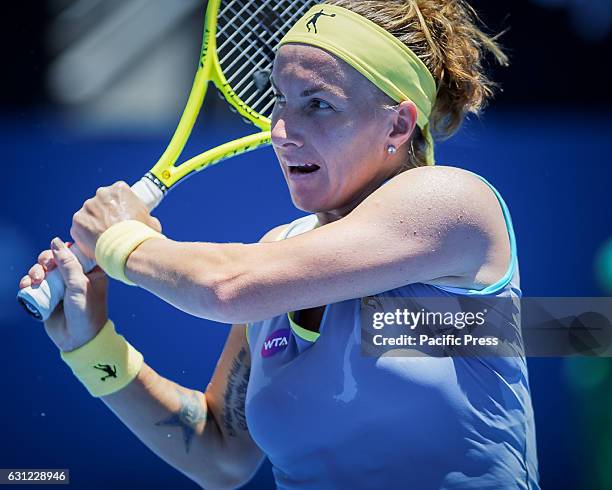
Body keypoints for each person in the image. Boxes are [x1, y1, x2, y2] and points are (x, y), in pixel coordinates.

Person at [19, 1, 540, 488]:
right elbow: (221, 454)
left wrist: (121, 238)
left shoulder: (452, 203)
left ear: (399, 124)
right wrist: (90, 346)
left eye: (318, 104)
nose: (282, 131)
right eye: (279, 99)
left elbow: (226, 288)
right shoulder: (277, 255)